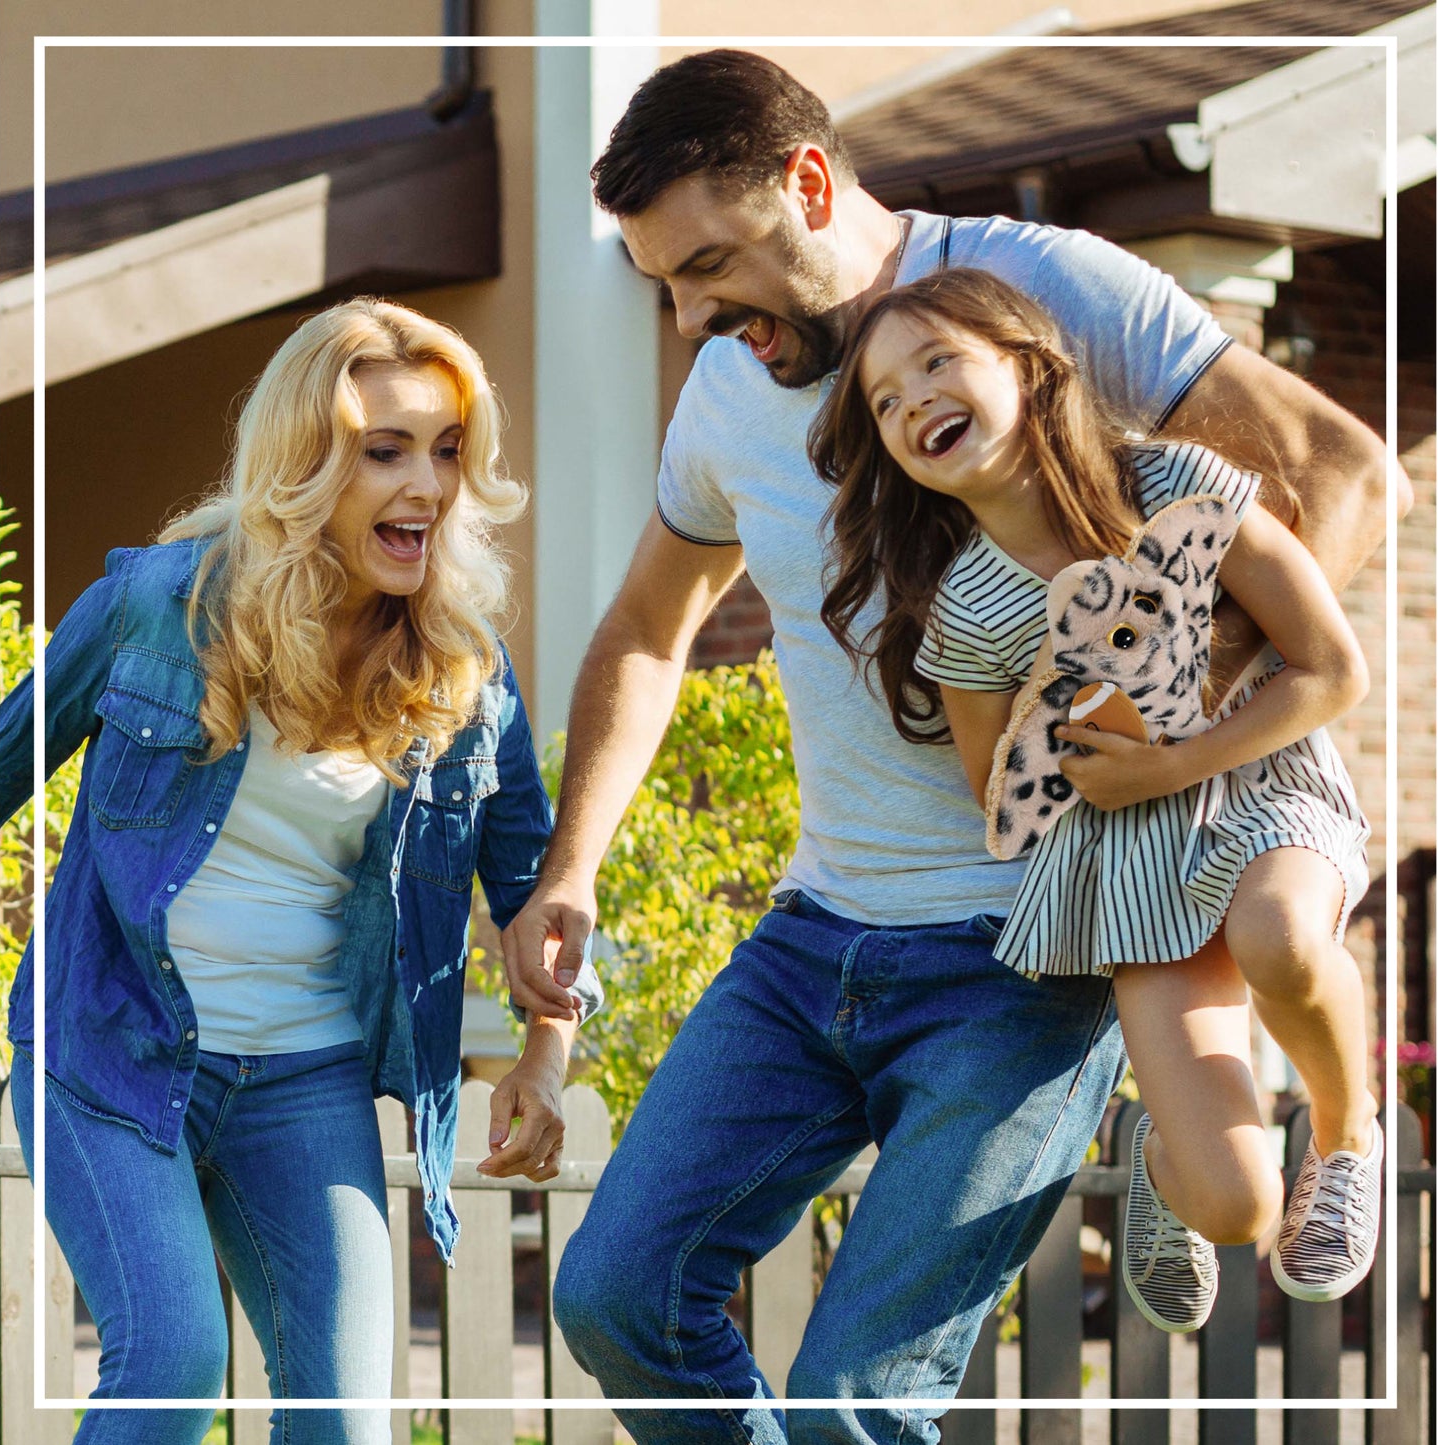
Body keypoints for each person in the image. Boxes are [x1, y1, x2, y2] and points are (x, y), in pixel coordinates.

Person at [502, 49, 1402, 1443]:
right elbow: (642, 629)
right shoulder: (733, 389)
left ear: (807, 182)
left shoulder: (1039, 290)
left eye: (705, 265)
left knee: (855, 1405)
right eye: (663, 286)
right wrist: (572, 868)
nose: (687, 315)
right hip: (814, 939)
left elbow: (1335, 465)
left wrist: (1182, 714)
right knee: (618, 1294)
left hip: (1024, 957)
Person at [0, 297, 601, 1445]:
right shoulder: (151, 610)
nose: (424, 484)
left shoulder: (466, 670)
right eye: (385, 451)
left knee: (345, 1422)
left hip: (304, 1080)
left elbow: (537, 891)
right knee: (172, 1361)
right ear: (307, 462)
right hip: (110, 1047)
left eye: (445, 450)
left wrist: (546, 1054)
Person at [812, 267, 1380, 1337]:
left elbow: (1328, 669)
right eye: (883, 400)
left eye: (936, 360)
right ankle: (1163, 1160)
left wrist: (1176, 753)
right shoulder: (970, 612)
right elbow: (1002, 798)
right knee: (1234, 1203)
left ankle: (1349, 1135)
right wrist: (1081, 727)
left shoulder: (1174, 484)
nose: (910, 399)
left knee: (1276, 931)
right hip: (1126, 861)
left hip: (1260, 786)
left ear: (1027, 367)